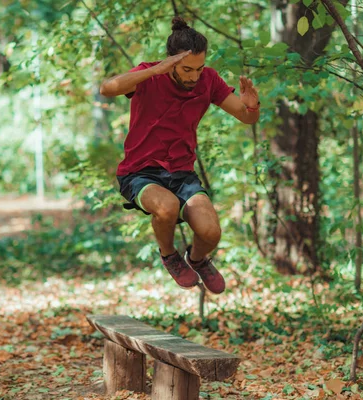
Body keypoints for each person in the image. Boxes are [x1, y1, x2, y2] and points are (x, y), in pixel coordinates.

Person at [100, 17, 260, 295]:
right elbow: (108, 88)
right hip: (139, 172)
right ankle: (169, 255)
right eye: (187, 69)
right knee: (166, 206)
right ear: (171, 62)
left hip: (182, 173)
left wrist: (253, 105)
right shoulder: (149, 76)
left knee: (211, 232)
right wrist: (154, 71)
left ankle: (197, 259)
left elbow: (247, 118)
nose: (194, 76)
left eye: (198, 68)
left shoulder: (208, 80)